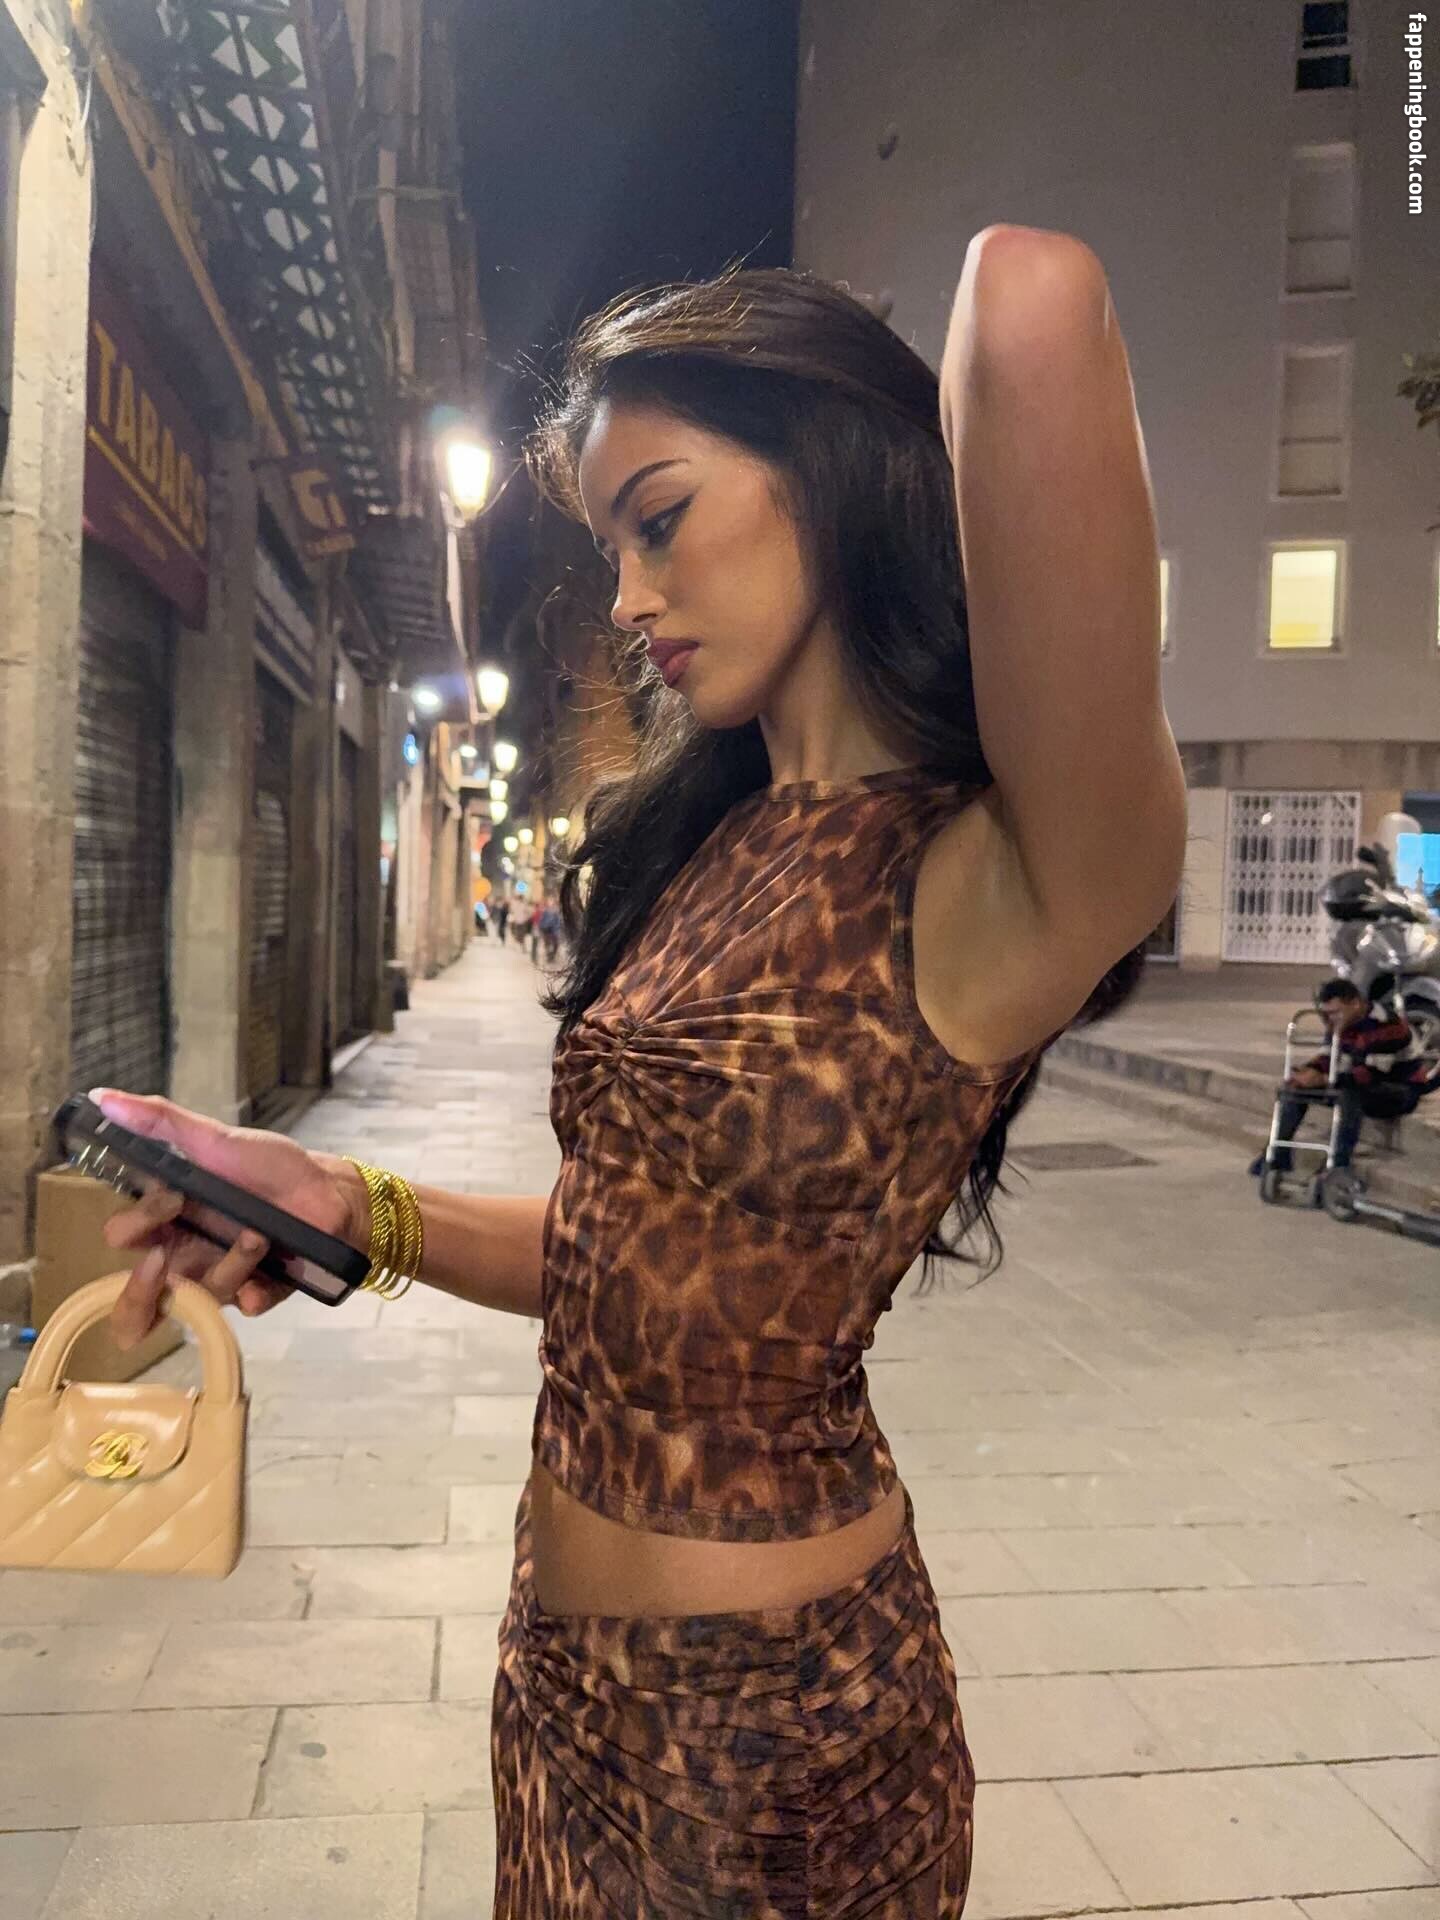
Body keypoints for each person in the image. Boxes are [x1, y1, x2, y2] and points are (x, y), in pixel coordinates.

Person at [91, 240, 1184, 1917]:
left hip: (776, 1760)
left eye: (659, 519)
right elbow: (636, 1267)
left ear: (832, 470)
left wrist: (870, 401)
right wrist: (343, 1200)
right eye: (611, 545)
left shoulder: (998, 878)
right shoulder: (716, 844)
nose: (626, 597)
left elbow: (1031, 301)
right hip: (561, 1690)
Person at [1250, 977, 1440, 1176]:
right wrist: (1309, 1071)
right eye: (1327, 1013)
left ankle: (1338, 1164)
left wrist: (1324, 1080)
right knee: (1294, 1089)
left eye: (1335, 1012)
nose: (1330, 1018)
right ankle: (1276, 1155)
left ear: (1355, 1004)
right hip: (1357, 1081)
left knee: (1349, 1095)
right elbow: (1328, 1057)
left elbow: (1369, 1076)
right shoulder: (1340, 1022)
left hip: (1398, 1089)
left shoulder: (1386, 1025)